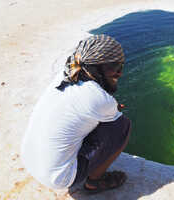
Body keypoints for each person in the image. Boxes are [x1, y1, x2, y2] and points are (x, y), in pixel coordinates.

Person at [21, 34, 131, 194]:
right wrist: (110, 107)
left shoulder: (66, 74)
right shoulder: (98, 98)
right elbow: (111, 112)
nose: (119, 73)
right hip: (59, 177)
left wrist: (107, 107)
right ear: (96, 68)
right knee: (122, 126)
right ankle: (94, 182)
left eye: (121, 66)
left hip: (30, 159)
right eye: (114, 67)